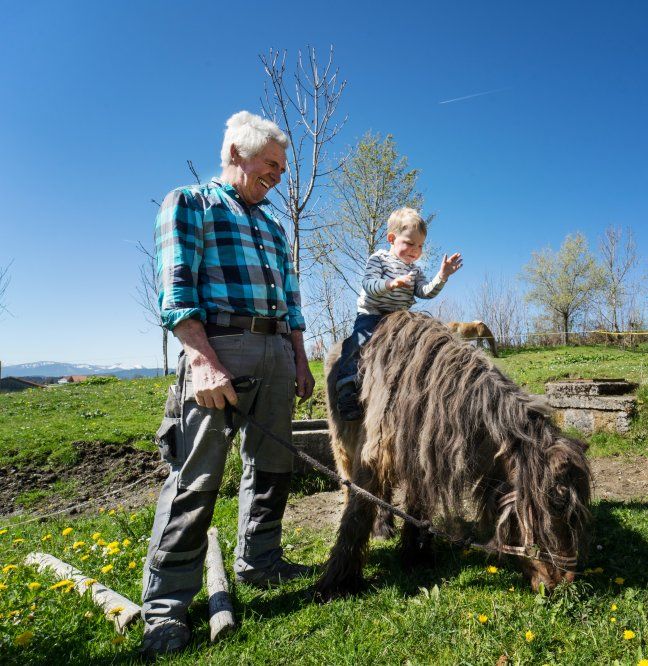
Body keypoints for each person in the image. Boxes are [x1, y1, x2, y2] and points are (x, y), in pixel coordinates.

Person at [141, 110, 316, 656]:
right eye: (272, 164)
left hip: (275, 351)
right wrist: (202, 359)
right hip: (220, 348)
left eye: (283, 168)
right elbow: (175, 291)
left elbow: (291, 300)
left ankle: (259, 564)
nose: (279, 175)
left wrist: (299, 358)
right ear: (236, 154)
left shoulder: (272, 224)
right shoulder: (189, 203)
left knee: (271, 468)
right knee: (195, 480)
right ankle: (166, 608)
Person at [335, 207, 462, 420]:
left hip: (399, 320)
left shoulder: (415, 270)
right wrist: (390, 283)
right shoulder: (379, 259)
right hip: (373, 314)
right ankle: (347, 389)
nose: (415, 250)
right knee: (357, 343)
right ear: (392, 238)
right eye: (410, 243)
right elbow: (368, 284)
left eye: (420, 245)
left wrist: (442, 276)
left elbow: (424, 292)